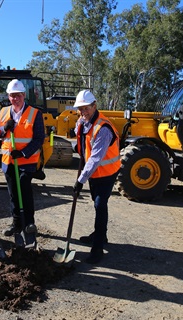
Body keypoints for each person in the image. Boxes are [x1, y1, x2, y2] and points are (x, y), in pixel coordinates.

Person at [73, 89, 121, 264]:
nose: (83, 112)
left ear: (94, 106)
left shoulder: (104, 129)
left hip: (107, 172)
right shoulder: (83, 120)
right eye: (80, 109)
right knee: (96, 203)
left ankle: (98, 248)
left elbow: (95, 159)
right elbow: (79, 133)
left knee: (100, 205)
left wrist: (80, 181)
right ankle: (101, 235)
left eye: (86, 108)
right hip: (95, 173)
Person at [0, 79, 45, 244]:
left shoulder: (35, 113)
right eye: (12, 96)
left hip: (26, 161)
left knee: (24, 188)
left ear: (24, 95)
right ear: (8, 97)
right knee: (13, 194)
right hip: (8, 161)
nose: (15, 99)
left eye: (18, 95)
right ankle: (16, 224)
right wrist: (4, 129)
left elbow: (39, 139)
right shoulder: (3, 113)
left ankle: (29, 223)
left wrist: (23, 153)